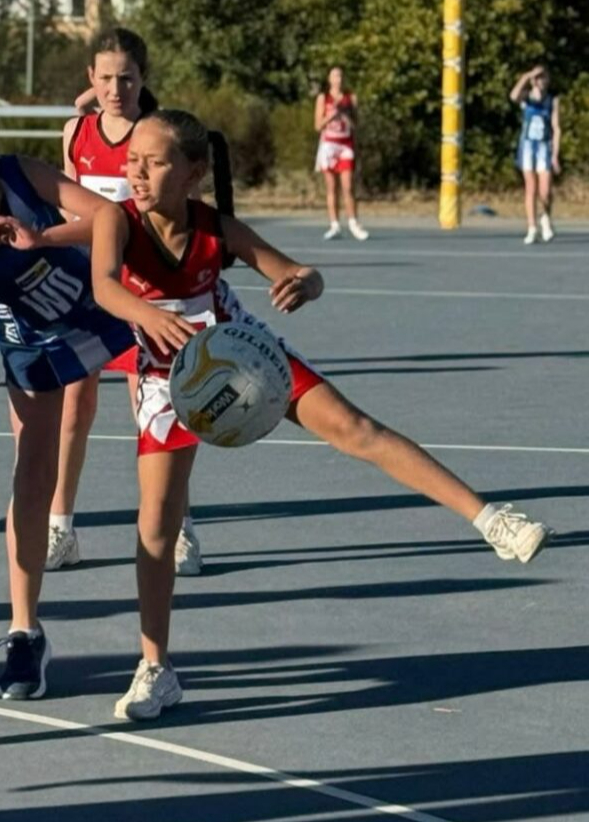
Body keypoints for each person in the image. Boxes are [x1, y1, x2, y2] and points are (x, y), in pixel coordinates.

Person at [82, 109, 550, 721]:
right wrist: (148, 315)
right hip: (167, 374)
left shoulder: (216, 226)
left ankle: (492, 520)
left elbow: (302, 272)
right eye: (132, 161)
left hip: (237, 350)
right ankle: (156, 667)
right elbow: (105, 286)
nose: (137, 172)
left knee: (355, 428)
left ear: (194, 172)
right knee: (156, 525)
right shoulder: (117, 219)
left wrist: (305, 283)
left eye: (154, 162)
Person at [48, 26, 203, 576]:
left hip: (143, 294)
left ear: (144, 78)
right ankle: (61, 528)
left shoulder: (157, 136)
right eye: (107, 78)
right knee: (73, 410)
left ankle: (178, 527)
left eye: (128, 78)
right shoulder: (76, 132)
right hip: (87, 291)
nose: (117, 89)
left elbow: (180, 214)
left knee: (155, 415)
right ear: (91, 77)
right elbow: (70, 209)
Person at [0, 154, 135, 700]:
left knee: (153, 422)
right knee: (33, 470)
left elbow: (110, 216)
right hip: (22, 335)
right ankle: (24, 633)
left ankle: (181, 520)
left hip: (88, 308)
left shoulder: (19, 174)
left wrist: (42, 237)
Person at [314, 66, 369, 241]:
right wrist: (331, 115)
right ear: (329, 79)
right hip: (329, 145)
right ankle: (334, 225)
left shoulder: (350, 98)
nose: (338, 79)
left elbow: (356, 125)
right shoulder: (323, 98)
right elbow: (317, 126)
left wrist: (345, 115)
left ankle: (353, 223)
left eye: (341, 76)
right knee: (331, 187)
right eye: (335, 76)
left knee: (348, 186)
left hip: (345, 145)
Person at [510, 65, 561, 245]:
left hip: (544, 147)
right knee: (530, 188)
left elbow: (556, 128)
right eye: (538, 78)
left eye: (543, 77)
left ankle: (545, 217)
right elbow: (513, 96)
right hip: (528, 146)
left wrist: (555, 155)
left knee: (545, 191)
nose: (541, 81)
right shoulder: (527, 98)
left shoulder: (552, 100)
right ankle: (532, 227)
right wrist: (527, 75)